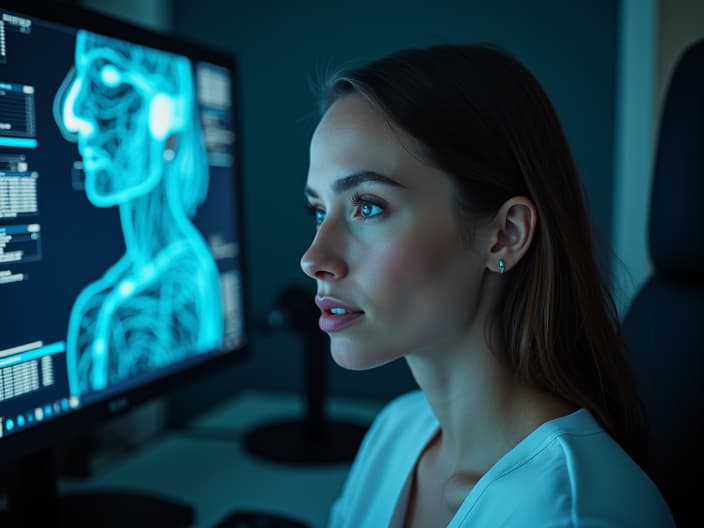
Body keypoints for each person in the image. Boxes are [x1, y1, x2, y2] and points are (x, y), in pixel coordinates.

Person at [300, 44, 675, 527]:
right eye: (317, 211)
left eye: (368, 206)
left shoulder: (572, 514)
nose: (314, 259)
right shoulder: (396, 432)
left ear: (505, 235)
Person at [53, 30, 223, 397]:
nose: (72, 115)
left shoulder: (168, 294)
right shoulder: (103, 304)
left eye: (109, 78)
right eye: (81, 78)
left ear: (168, 114)